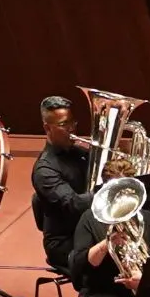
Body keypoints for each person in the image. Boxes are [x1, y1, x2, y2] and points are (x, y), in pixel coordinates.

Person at [26, 94, 96, 270]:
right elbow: (74, 205)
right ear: (47, 128)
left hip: (88, 231)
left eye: (72, 122)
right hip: (65, 243)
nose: (72, 129)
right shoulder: (45, 170)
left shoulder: (79, 153)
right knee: (113, 259)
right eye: (64, 124)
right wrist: (107, 193)